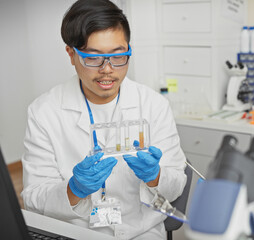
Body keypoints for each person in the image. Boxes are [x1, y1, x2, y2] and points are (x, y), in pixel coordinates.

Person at [21, 0, 186, 239]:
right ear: (71, 54)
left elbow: (176, 185)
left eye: (119, 56)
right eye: (93, 57)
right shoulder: (44, 111)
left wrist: (156, 176)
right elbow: (34, 198)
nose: (108, 69)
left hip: (141, 231)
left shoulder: (153, 105)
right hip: (74, 230)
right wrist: (74, 189)